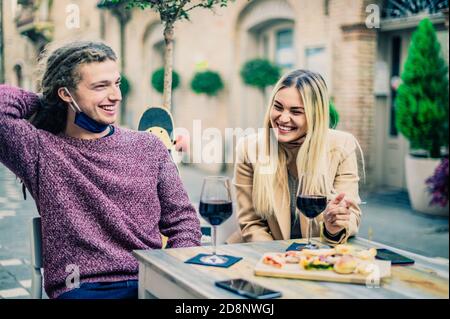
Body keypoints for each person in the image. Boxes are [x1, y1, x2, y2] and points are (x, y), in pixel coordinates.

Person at [0, 41, 202, 299]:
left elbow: (183, 221)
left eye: (116, 83)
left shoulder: (148, 146)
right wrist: (47, 98)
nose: (116, 95)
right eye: (100, 86)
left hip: (149, 281)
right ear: (66, 94)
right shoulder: (40, 150)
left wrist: (172, 273)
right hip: (80, 287)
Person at [227, 69, 363, 245]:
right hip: (260, 253)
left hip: (317, 255)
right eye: (277, 107)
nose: (283, 118)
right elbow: (251, 224)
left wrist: (334, 227)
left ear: (316, 115)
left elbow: (351, 215)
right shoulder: (249, 149)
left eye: (296, 111)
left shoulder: (342, 146)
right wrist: (279, 260)